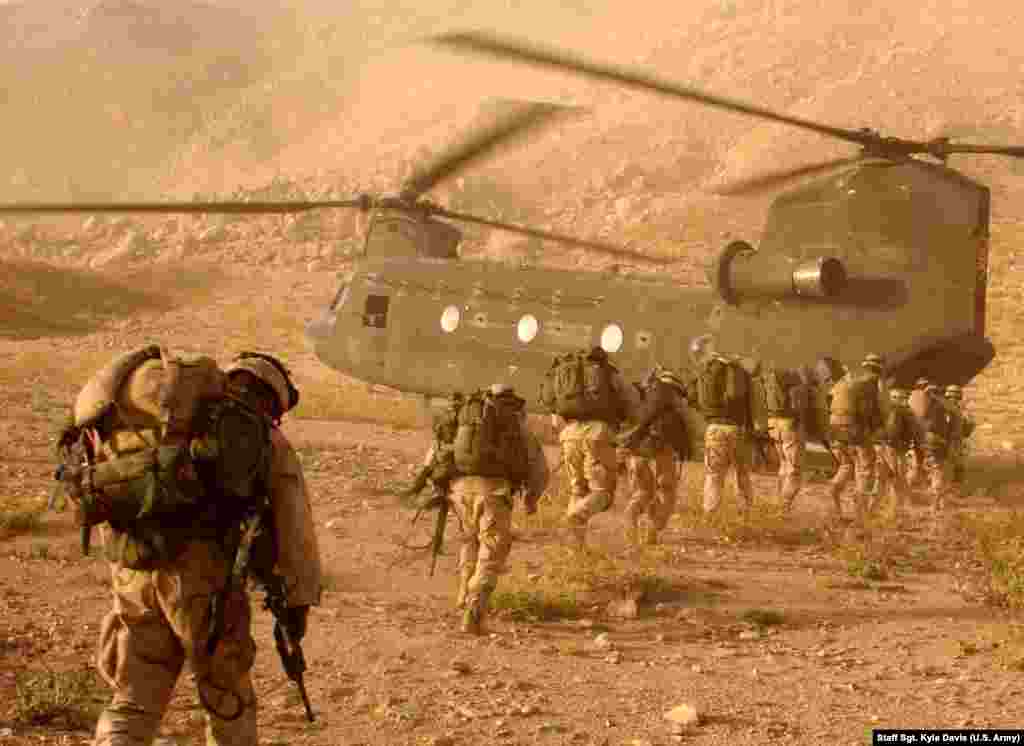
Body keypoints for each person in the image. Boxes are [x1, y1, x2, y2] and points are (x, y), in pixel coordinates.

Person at [71, 347, 323, 746]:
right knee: (227, 700)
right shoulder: (256, 435)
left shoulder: (156, 417)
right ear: (273, 397)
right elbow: (295, 531)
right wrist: (297, 603)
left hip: (134, 567)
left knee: (134, 700)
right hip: (202, 583)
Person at [417, 384, 548, 634]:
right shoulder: (515, 425)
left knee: (469, 540)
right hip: (494, 493)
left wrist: (436, 486)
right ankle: (474, 611)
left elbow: (435, 452)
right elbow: (539, 469)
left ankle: (463, 594)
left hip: (460, 491)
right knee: (492, 549)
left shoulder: (464, 418)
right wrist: (532, 498)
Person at [542, 347, 633, 549]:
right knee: (603, 492)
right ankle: (576, 516)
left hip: (569, 433)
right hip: (598, 433)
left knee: (578, 488)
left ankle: (574, 547)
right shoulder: (608, 371)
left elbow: (548, 400)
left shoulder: (562, 371)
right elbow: (629, 403)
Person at [617, 366, 690, 546]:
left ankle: (631, 516)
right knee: (667, 492)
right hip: (663, 449)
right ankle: (653, 529)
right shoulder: (675, 404)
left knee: (643, 492)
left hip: (637, 452)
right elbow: (683, 435)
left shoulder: (644, 398)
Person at [686, 336, 755, 518]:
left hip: (713, 428)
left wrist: (708, 411)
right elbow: (740, 396)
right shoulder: (731, 367)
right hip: (735, 428)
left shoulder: (701, 371)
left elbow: (691, 398)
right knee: (742, 472)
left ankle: (710, 513)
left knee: (714, 474)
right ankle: (745, 511)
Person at [826, 353, 884, 522]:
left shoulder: (849, 380)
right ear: (879, 369)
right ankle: (860, 513)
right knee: (866, 469)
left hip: (837, 431)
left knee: (846, 465)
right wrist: (876, 428)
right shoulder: (871, 383)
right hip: (856, 432)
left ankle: (833, 495)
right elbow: (870, 412)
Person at [759, 363, 812, 511]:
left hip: (773, 423)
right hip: (789, 424)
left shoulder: (771, 379)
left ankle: (780, 501)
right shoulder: (796, 380)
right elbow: (799, 407)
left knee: (783, 463)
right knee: (795, 469)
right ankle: (784, 505)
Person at [872, 386, 916, 520]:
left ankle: (871, 508)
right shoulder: (904, 411)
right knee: (897, 479)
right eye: (899, 398)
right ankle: (895, 510)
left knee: (880, 479)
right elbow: (911, 432)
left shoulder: (881, 410)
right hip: (894, 449)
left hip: (880, 447)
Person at [944, 384, 975, 489]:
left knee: (955, 466)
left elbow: (969, 426)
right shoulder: (960, 409)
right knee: (954, 465)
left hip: (952, 440)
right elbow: (969, 426)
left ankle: (952, 488)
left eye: (955, 396)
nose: (954, 398)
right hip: (951, 441)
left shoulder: (944, 407)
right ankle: (952, 488)